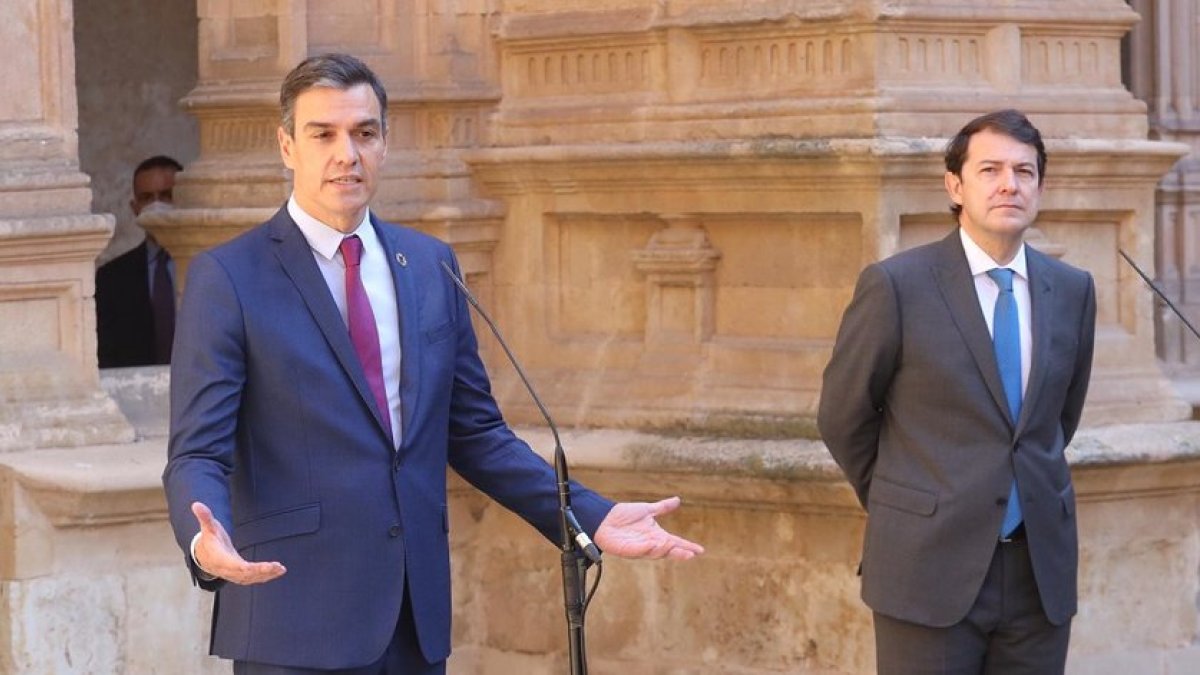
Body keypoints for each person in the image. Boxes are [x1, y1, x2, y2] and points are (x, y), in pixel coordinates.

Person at [161, 53, 703, 675]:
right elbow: (197, 452)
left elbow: (475, 434)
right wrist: (203, 539)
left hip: (414, 623)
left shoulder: (430, 265)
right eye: (323, 135)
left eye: (364, 133)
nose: (346, 154)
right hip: (293, 618)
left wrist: (591, 516)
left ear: (385, 143)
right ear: (287, 146)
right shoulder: (228, 277)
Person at [818, 109, 1096, 674]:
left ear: (1040, 187)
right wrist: (911, 500)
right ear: (955, 186)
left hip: (1039, 574)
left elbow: (1056, 421)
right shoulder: (897, 285)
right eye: (990, 169)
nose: (1009, 184)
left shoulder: (1072, 290)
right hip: (926, 567)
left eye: (1024, 171)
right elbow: (843, 417)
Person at [95, 155, 182, 367]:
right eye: (147, 198)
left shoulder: (212, 266)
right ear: (135, 208)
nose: (157, 205)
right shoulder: (111, 279)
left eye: (166, 195)